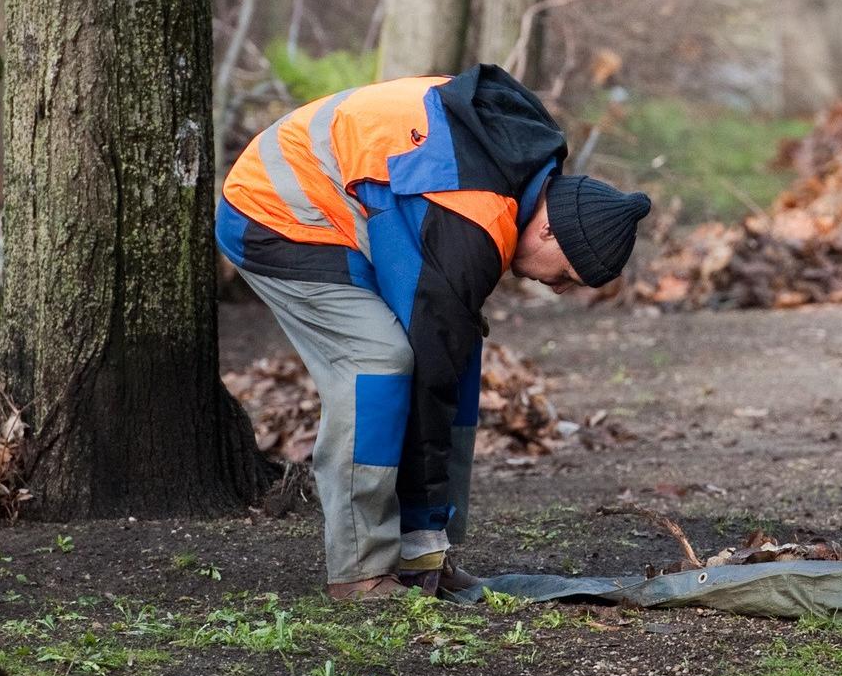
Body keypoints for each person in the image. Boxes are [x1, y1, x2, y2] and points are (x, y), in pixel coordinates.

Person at [217, 64, 651, 601]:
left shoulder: (525, 162)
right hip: (276, 211)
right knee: (379, 366)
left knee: (457, 354)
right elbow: (426, 368)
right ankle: (359, 571)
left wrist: (428, 542)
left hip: (339, 204)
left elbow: (444, 357)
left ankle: (425, 554)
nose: (559, 289)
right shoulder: (469, 222)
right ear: (547, 228)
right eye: (566, 274)